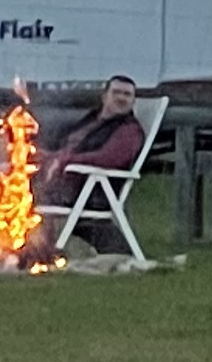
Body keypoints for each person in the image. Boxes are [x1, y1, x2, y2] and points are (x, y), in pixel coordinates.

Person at [35, 75, 150, 256]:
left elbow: (110, 159)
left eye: (127, 95)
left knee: (16, 198)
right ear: (104, 97)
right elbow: (65, 150)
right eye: (116, 92)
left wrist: (67, 161)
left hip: (89, 192)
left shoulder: (129, 131)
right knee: (2, 180)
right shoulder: (91, 121)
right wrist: (46, 158)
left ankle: (23, 252)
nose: (121, 98)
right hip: (62, 185)